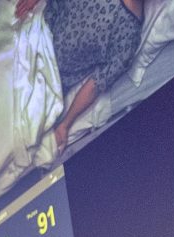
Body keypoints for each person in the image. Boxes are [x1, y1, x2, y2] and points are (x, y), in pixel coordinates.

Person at [19, 0, 148, 153]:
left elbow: (95, 84)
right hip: (36, 28)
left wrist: (65, 125)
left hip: (51, 79)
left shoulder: (129, 36)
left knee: (19, 133)